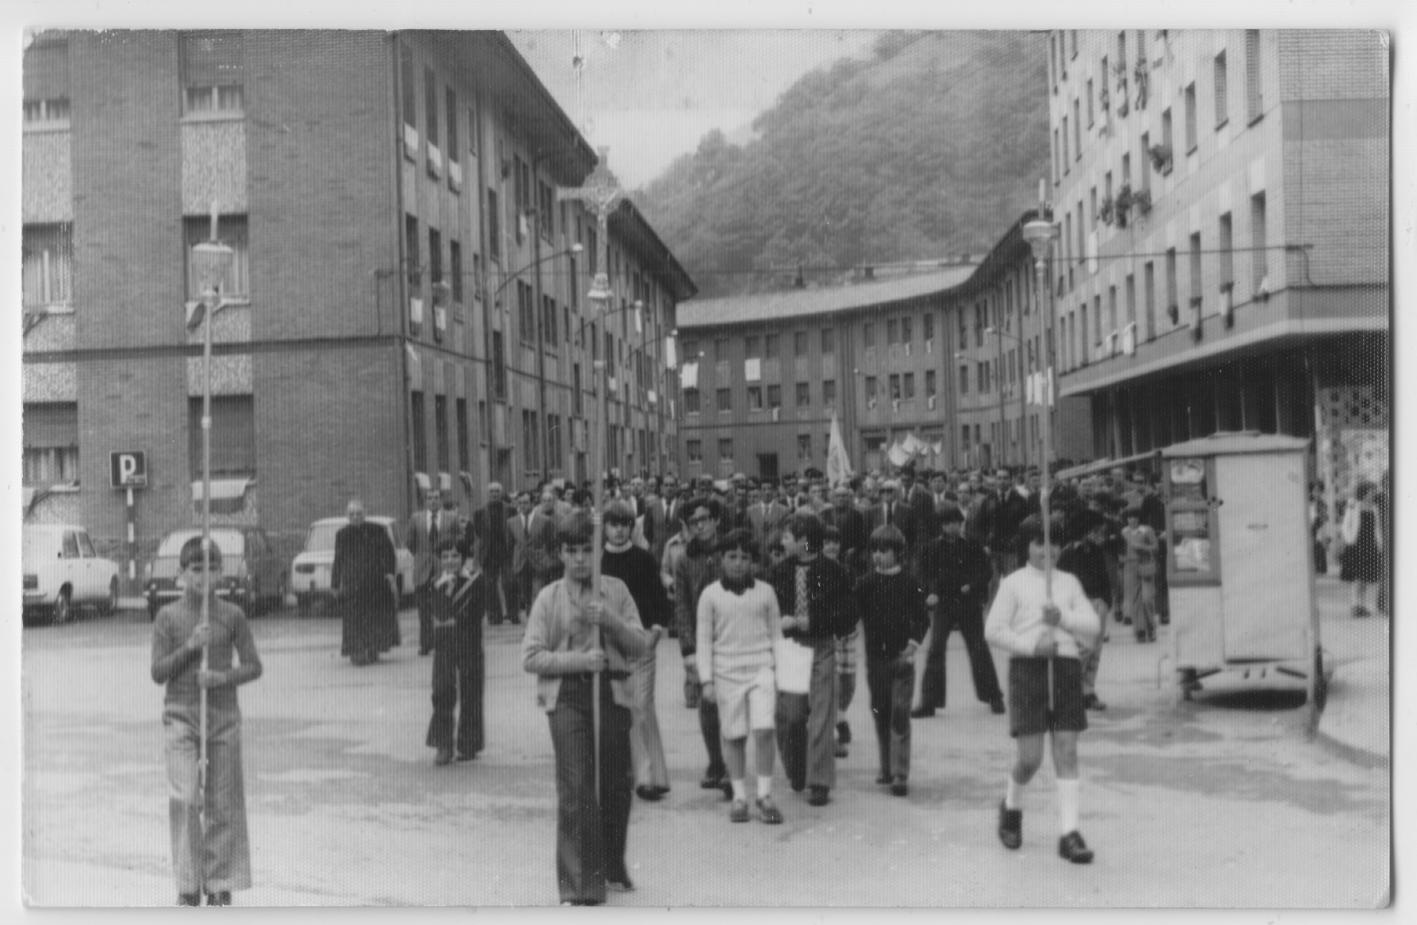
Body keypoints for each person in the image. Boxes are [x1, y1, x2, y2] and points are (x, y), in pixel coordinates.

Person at [522, 511, 650, 906]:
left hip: (611, 693)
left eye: (586, 550)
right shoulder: (549, 597)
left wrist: (610, 622)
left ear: (597, 551)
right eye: (571, 550)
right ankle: (581, 884)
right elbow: (532, 656)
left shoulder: (616, 590)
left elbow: (640, 646)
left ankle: (612, 863)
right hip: (567, 699)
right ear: (560, 553)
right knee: (577, 785)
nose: (579, 559)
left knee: (615, 784)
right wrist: (579, 661)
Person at [150, 536, 263, 906]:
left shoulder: (233, 615)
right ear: (181, 573)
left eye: (212, 567)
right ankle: (187, 882)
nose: (204, 575)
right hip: (181, 716)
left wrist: (221, 678)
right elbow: (158, 671)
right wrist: (190, 648)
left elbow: (253, 666)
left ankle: (219, 882)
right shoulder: (168, 617)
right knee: (185, 797)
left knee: (223, 801)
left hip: (223, 717)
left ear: (222, 572)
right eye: (196, 568)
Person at [985, 516, 1101, 865]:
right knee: (1030, 758)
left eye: (1053, 543)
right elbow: (993, 630)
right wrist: (1031, 646)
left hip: (1064, 669)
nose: (1047, 550)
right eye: (1039, 543)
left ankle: (1069, 833)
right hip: (1029, 670)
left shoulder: (1068, 583)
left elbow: (1093, 626)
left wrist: (1063, 619)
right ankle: (1011, 806)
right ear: (1027, 546)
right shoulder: (1013, 583)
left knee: (1066, 751)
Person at [695, 529, 786, 824]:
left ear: (753, 562)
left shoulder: (766, 592)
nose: (738, 563)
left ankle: (764, 794)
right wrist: (706, 680)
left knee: (764, 729)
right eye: (731, 557)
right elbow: (704, 641)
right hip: (726, 673)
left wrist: (782, 674)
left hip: (762, 669)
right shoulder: (710, 595)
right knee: (733, 735)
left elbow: (776, 636)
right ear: (721, 559)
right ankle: (738, 797)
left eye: (744, 557)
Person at [768, 512, 857, 807]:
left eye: (788, 537)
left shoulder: (834, 572)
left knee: (821, 716)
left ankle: (819, 780)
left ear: (804, 540)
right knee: (791, 716)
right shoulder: (779, 573)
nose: (782, 541)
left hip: (821, 648)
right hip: (791, 650)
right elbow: (769, 610)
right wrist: (779, 622)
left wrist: (808, 622)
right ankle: (797, 768)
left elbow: (847, 616)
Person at [599, 501, 673, 802]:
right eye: (614, 524)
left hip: (641, 643)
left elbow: (658, 597)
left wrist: (656, 629)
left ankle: (650, 777)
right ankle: (635, 773)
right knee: (621, 710)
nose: (619, 530)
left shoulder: (643, 559)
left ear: (632, 527)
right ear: (604, 527)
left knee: (642, 707)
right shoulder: (597, 562)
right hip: (609, 646)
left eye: (624, 524)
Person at [854, 525, 929, 797]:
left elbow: (922, 618)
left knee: (899, 713)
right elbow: (852, 613)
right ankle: (885, 767)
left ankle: (900, 773)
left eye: (884, 551)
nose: (878, 556)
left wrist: (912, 645)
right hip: (875, 660)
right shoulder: (865, 584)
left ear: (899, 553)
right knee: (881, 712)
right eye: (874, 550)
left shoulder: (910, 583)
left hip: (901, 659)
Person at [914, 502, 1003, 717]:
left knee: (978, 649)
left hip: (968, 604)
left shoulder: (972, 545)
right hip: (944, 604)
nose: (951, 527)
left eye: (955, 523)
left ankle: (994, 697)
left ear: (961, 524)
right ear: (941, 526)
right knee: (935, 649)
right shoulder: (932, 548)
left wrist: (972, 585)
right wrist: (930, 592)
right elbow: (923, 574)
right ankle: (929, 702)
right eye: (946, 523)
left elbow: (986, 571)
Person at [673, 495, 732, 795]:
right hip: (702, 641)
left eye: (705, 519)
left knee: (733, 704)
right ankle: (716, 762)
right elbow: (682, 604)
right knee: (708, 704)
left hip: (732, 637)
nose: (700, 526)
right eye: (694, 521)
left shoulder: (731, 552)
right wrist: (688, 648)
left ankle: (732, 766)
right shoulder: (683, 559)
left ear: (716, 520)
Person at [425, 537, 487, 765]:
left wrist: (455, 612)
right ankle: (443, 744)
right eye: (445, 557)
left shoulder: (475, 581)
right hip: (444, 646)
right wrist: (447, 590)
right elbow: (437, 615)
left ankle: (468, 743)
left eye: (455, 556)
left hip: (469, 643)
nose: (450, 561)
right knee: (441, 690)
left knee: (470, 691)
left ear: (463, 558)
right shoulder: (435, 584)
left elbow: (477, 613)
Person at [1056, 510, 1113, 711]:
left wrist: (1106, 601)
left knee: (1096, 649)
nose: (1100, 536)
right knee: (1083, 649)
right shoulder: (1068, 553)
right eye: (1096, 531)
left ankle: (1088, 690)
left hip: (1098, 603)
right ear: (1085, 531)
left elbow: (1105, 577)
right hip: (1079, 605)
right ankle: (1070, 690)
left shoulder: (1097, 552)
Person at [332, 498, 400, 666]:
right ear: (347, 515)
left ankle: (372, 648)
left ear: (365, 513)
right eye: (351, 514)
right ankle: (356, 651)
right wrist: (334, 584)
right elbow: (338, 560)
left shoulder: (377, 530)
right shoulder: (342, 534)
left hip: (375, 582)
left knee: (374, 617)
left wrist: (390, 573)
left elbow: (389, 553)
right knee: (354, 619)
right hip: (352, 584)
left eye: (359, 513)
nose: (355, 516)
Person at [823, 525, 858, 758]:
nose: (833, 546)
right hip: (826, 633)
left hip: (846, 632)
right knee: (829, 681)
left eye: (836, 542)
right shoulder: (816, 569)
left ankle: (841, 715)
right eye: (827, 542)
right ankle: (835, 726)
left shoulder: (847, 569)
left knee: (848, 679)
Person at [408, 487, 453, 656]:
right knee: (423, 610)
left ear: (440, 500)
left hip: (443, 568)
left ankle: (445, 643)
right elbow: (410, 542)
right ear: (425, 501)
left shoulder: (451, 518)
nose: (433, 501)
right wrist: (421, 557)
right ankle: (425, 644)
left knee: (444, 607)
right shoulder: (416, 519)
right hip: (422, 569)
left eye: (436, 497)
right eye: (429, 498)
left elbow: (458, 538)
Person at [469, 482, 516, 625]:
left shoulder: (511, 510)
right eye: (492, 491)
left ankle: (513, 614)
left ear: (501, 493)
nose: (494, 494)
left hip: (506, 552)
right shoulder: (479, 513)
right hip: (488, 554)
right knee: (489, 586)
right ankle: (494, 616)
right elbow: (477, 534)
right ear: (487, 494)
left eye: (497, 491)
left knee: (510, 582)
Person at [1339, 480, 1383, 618]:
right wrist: (1348, 539)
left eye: (1373, 491)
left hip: (1370, 546)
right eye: (1371, 491)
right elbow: (1346, 524)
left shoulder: (1374, 508)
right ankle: (1355, 606)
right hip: (1356, 545)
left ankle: (1362, 606)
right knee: (1357, 578)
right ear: (1364, 492)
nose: (1373, 494)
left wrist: (1379, 544)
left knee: (1365, 578)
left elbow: (1377, 527)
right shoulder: (1353, 505)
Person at [1120, 504, 1160, 642]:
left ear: (1139, 518)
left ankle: (1151, 628)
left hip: (1145, 565)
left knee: (1147, 598)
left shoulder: (1146, 530)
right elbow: (1119, 550)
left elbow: (1156, 547)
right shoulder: (1123, 532)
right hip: (1129, 566)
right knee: (1135, 600)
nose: (1132, 520)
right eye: (1130, 517)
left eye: (1135, 517)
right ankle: (1140, 630)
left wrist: (1142, 547)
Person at [507, 490, 536, 623]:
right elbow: (510, 544)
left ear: (532, 503)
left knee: (536, 593)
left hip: (537, 562)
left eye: (526, 503)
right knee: (525, 595)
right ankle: (530, 621)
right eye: (520, 503)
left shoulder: (542, 520)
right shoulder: (511, 522)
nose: (523, 506)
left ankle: (535, 621)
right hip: (520, 562)